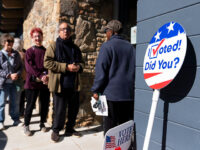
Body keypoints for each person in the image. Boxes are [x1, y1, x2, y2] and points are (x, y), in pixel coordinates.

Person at [91, 20, 135, 135]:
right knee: (124, 129)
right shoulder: (131, 47)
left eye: (106, 31)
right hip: (128, 95)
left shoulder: (107, 46)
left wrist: (96, 90)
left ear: (111, 31)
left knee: (110, 130)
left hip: (111, 96)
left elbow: (101, 71)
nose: (106, 34)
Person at [44, 21, 84, 142]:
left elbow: (82, 63)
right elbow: (47, 62)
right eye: (62, 29)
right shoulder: (53, 46)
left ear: (70, 32)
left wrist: (79, 67)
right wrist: (66, 67)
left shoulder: (75, 48)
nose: (65, 31)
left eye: (67, 29)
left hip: (74, 85)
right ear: (59, 32)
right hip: (60, 85)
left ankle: (70, 129)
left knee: (73, 109)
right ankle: (56, 130)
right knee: (59, 110)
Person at [24, 27, 50, 136]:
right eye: (35, 36)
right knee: (30, 105)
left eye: (39, 36)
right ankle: (26, 125)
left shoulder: (46, 51)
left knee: (44, 104)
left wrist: (47, 75)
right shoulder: (29, 51)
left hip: (44, 84)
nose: (37, 38)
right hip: (32, 83)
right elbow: (29, 66)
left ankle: (42, 123)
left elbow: (49, 64)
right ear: (32, 38)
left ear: (42, 37)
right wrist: (40, 75)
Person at [0, 34, 23, 130]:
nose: (10, 44)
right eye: (8, 42)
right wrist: (9, 75)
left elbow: (20, 67)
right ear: (3, 42)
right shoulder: (0, 54)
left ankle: (16, 120)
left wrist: (17, 74)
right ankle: (1, 122)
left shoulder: (16, 54)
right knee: (1, 103)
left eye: (11, 42)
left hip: (14, 83)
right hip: (3, 83)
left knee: (15, 102)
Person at [13, 38, 26, 118]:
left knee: (21, 96)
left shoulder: (24, 52)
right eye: (17, 43)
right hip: (16, 77)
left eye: (20, 42)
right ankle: (16, 113)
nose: (18, 44)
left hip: (23, 77)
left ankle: (20, 113)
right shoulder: (12, 53)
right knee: (16, 96)